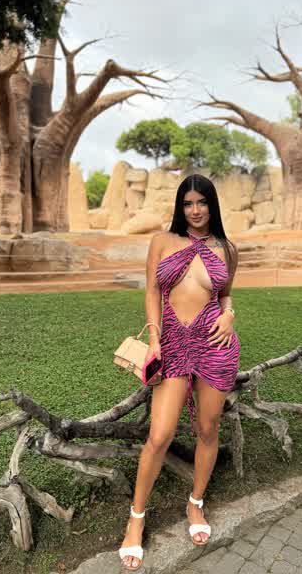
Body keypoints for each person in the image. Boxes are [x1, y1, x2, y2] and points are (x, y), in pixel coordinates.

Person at [119, 173, 240, 571]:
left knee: (207, 428)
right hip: (171, 343)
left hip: (214, 346)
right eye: (188, 203)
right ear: (180, 206)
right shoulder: (162, 241)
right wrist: (155, 338)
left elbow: (225, 295)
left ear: (212, 205)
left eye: (202, 202)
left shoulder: (227, 248)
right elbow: (153, 290)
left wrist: (230, 315)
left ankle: (195, 503)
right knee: (160, 435)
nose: (195, 210)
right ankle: (136, 519)